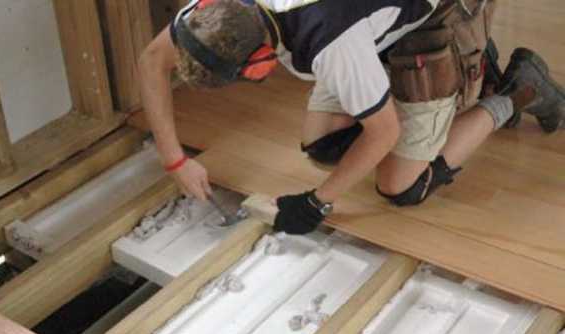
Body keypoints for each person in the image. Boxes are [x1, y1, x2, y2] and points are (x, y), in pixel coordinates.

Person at [138, 0, 565, 235]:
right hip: (365, 21)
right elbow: (154, 58)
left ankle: (515, 90)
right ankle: (436, 76)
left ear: (259, 65)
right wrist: (174, 160)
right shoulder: (214, 15)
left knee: (401, 187)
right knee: (325, 146)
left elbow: (384, 133)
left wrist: (316, 202)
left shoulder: (331, 45)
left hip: (438, 13)